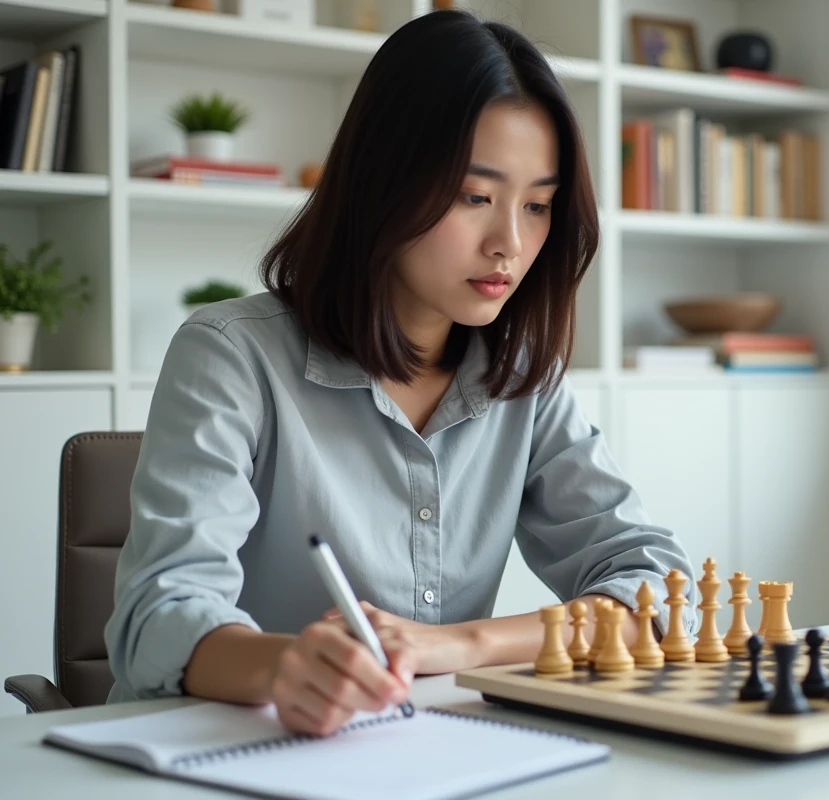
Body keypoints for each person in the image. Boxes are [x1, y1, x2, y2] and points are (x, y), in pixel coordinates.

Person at [102, 9, 699, 737]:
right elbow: (157, 617)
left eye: (538, 205)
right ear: (385, 181)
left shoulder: (522, 383)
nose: (509, 243)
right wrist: (284, 667)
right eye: (475, 197)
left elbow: (660, 593)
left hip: (425, 751)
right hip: (224, 753)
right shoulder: (231, 354)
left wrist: (462, 645)